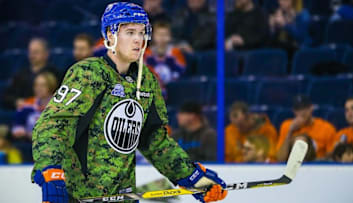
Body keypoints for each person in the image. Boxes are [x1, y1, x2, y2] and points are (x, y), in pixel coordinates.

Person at [31, 3, 227, 203]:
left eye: (142, 33)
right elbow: (53, 124)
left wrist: (192, 177)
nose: (138, 40)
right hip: (81, 197)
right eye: (130, 32)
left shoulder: (147, 80)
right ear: (110, 34)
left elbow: (154, 139)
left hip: (124, 197)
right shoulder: (89, 73)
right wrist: (50, 171)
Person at [12, 72, 58, 162]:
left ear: (51, 86)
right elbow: (16, 128)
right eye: (36, 85)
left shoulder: (59, 106)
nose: (38, 89)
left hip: (52, 145)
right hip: (28, 144)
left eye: (43, 85)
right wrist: (24, 133)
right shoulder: (27, 105)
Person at [3, 37, 59, 109]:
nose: (32, 55)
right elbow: (7, 96)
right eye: (30, 52)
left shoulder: (55, 74)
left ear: (46, 54)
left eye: (36, 52)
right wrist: (17, 101)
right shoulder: (20, 74)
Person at [276, 95, 337, 161]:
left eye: (304, 108)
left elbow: (331, 157)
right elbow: (280, 158)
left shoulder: (326, 128)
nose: (301, 112)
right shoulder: (287, 126)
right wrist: (290, 132)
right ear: (294, 111)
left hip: (318, 166)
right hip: (294, 167)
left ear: (311, 108)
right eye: (298, 109)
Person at [144, 21, 187, 85]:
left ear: (170, 36)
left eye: (165, 35)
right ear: (153, 36)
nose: (162, 38)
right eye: (159, 35)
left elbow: (182, 70)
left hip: (172, 86)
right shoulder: (147, 53)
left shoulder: (175, 52)